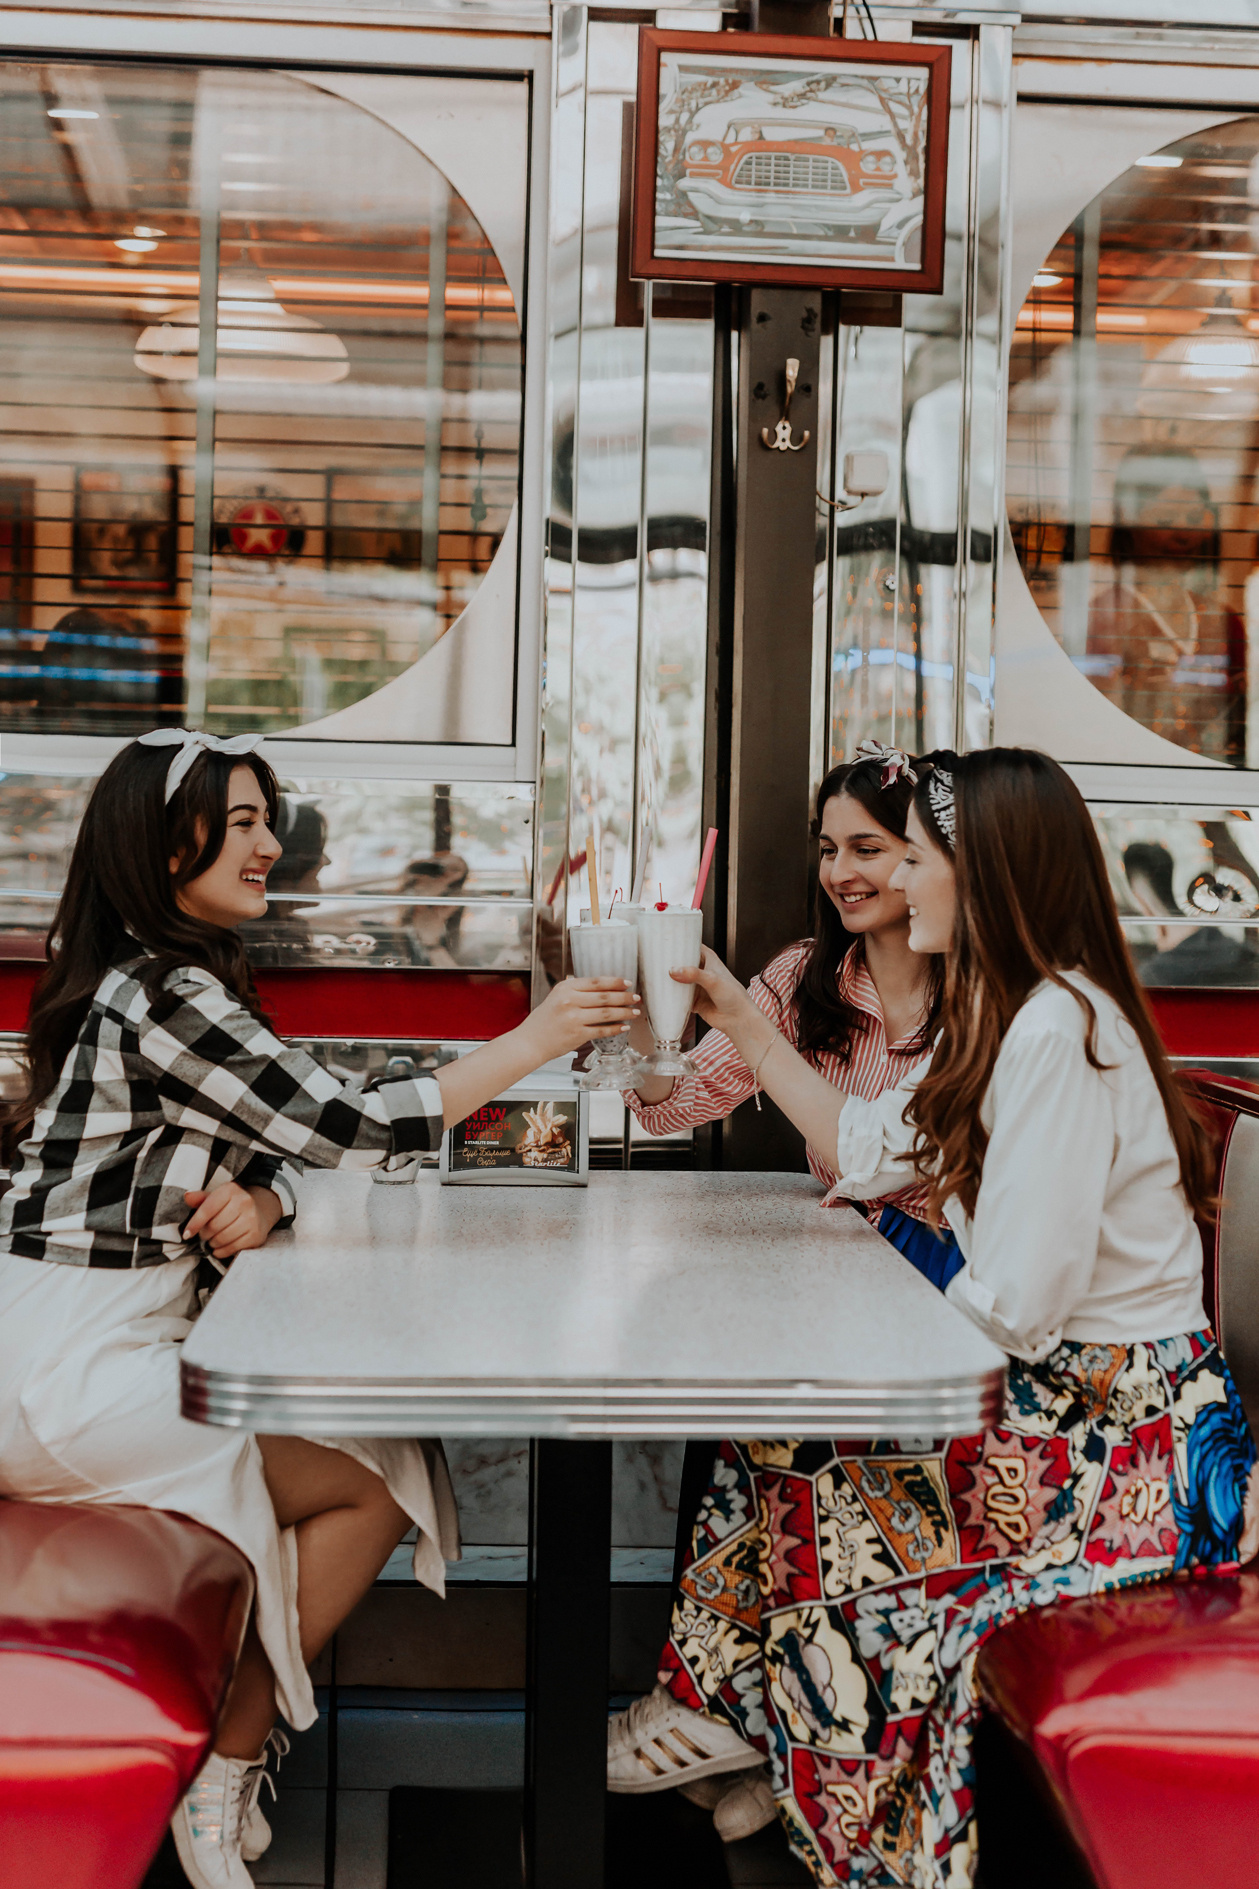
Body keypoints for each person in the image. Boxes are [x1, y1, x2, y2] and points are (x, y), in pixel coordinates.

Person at [609, 746, 1258, 1886]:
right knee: (776, 1435)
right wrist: (735, 1017)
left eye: (914, 855)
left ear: (986, 870)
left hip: (1124, 1446)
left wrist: (891, 1258)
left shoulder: (1055, 1031)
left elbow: (1014, 1305)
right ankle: (742, 1717)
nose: (898, 883)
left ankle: (862, 1832)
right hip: (1085, 1404)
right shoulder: (1023, 1013)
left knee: (840, 1524)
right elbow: (870, 1147)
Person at [0, 727, 637, 1889]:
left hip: (65, 1346)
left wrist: (267, 1193)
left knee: (385, 1454)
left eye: (265, 818)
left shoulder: (154, 977)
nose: (269, 843)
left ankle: (229, 1748)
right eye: (238, 821)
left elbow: (290, 1141)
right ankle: (226, 1757)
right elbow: (352, 1126)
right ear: (162, 837)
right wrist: (536, 1037)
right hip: (66, 1373)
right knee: (379, 1471)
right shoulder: (168, 989)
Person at [626, 739, 955, 1285]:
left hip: (948, 1258)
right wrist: (644, 1013)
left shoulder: (990, 998)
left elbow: (873, 1156)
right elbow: (671, 1109)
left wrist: (738, 1015)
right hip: (836, 1254)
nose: (838, 873)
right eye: (828, 850)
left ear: (926, 858)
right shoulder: (802, 975)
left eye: (867, 849)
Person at [1086, 447, 1245, 764]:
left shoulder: (1225, 623)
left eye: (1193, 518)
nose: (1183, 534)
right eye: (1165, 518)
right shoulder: (1104, 619)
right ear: (1129, 521)